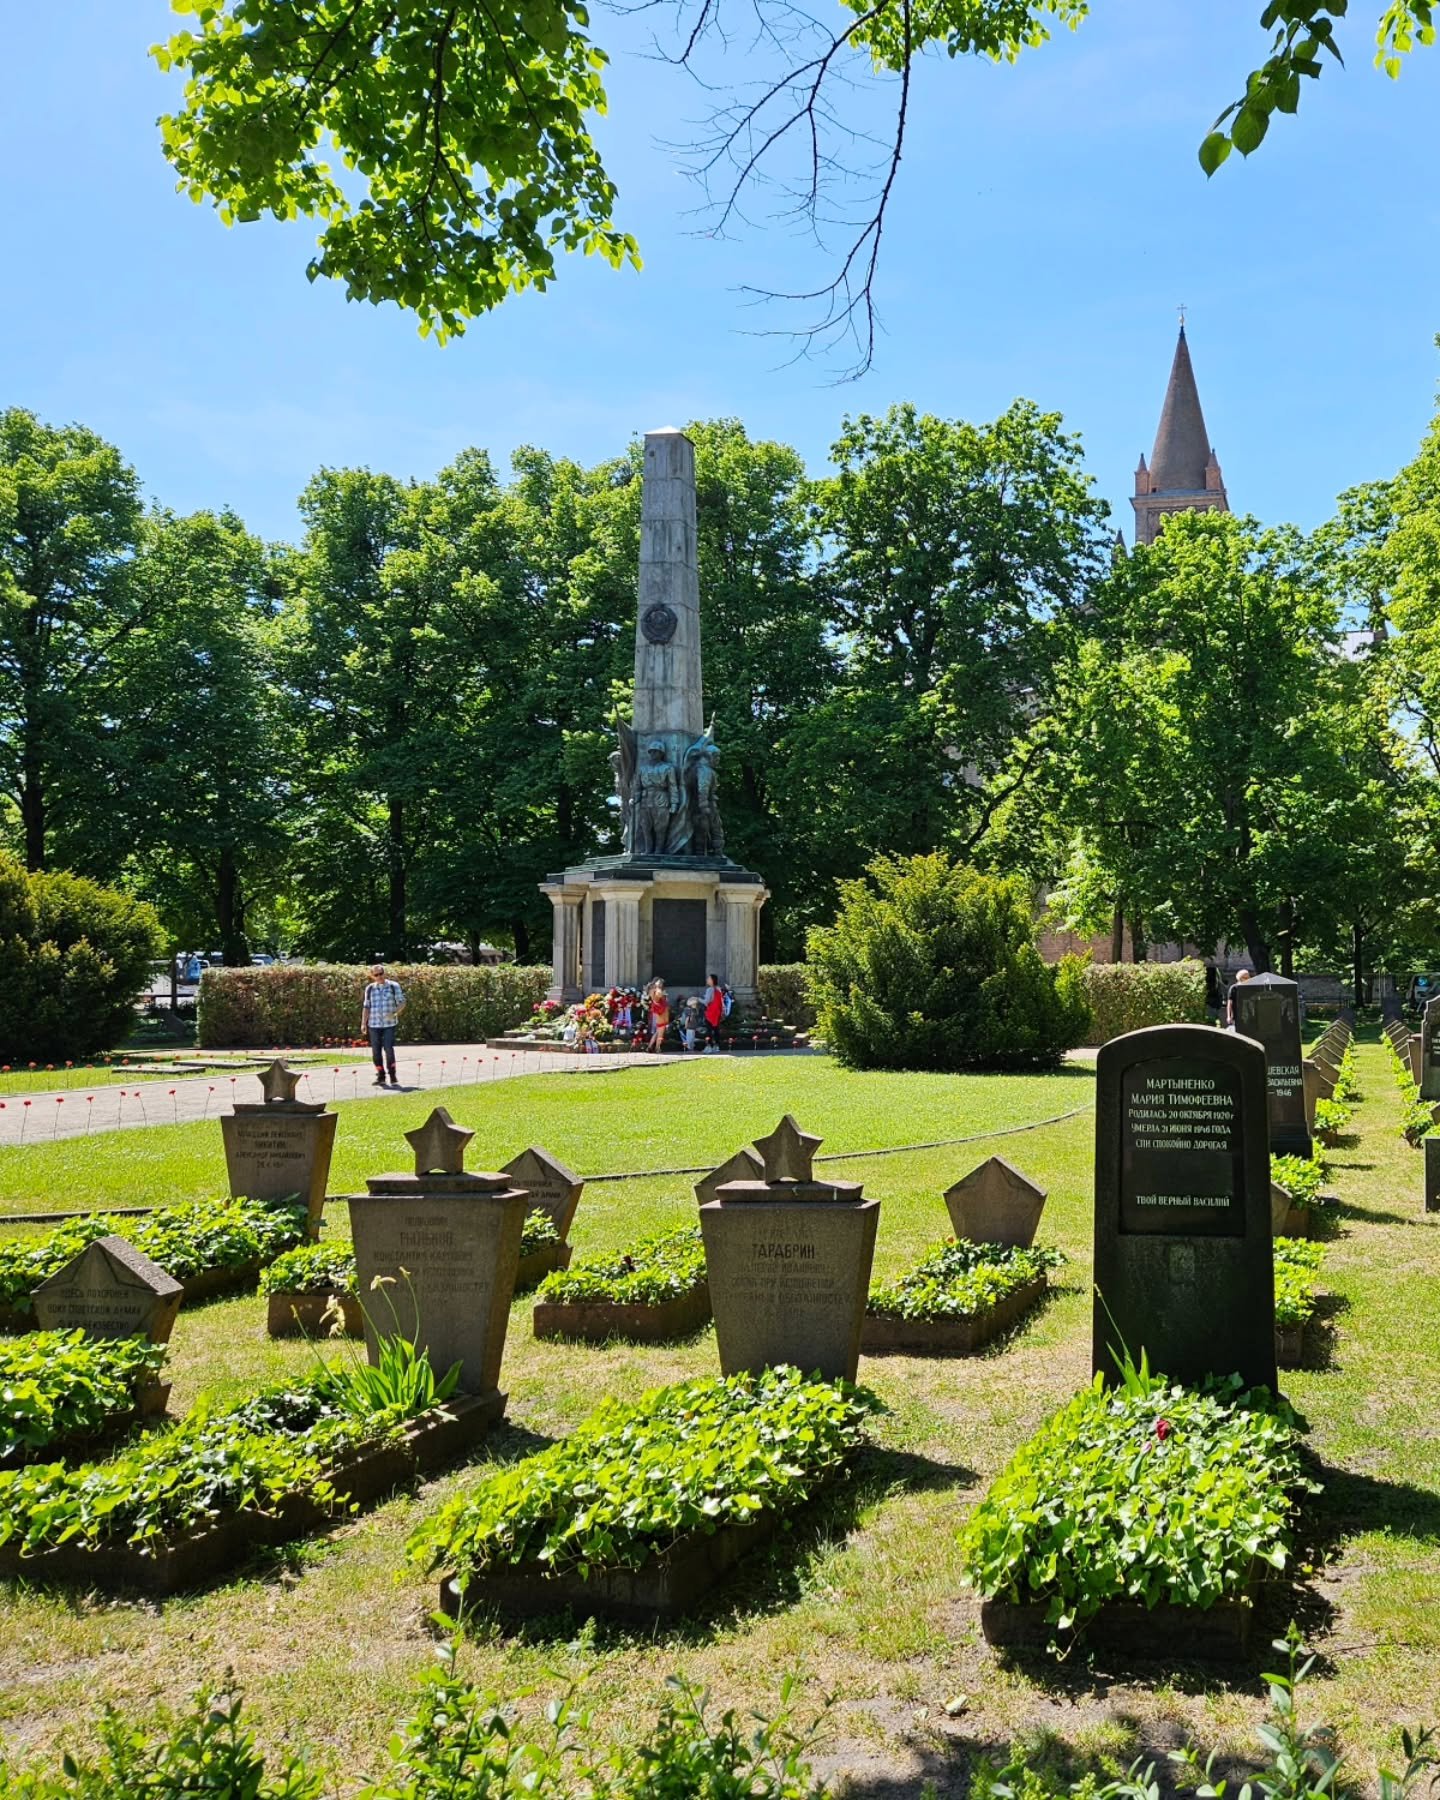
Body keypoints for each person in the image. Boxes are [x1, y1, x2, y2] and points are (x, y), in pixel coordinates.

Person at [361, 962, 406, 1086]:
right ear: (372, 976)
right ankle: (380, 1076)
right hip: (373, 1024)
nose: (379, 976)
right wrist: (363, 1023)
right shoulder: (369, 988)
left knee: (388, 1049)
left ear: (384, 973)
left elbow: (402, 1002)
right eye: (376, 975)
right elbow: (366, 1007)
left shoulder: (393, 986)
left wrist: (395, 1012)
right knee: (376, 1051)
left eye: (381, 973)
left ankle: (393, 1075)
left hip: (389, 1024)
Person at [703, 972, 725, 1050]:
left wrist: (697, 999)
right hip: (717, 1013)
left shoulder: (710, 990)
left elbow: (706, 1002)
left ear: (712, 980)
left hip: (710, 1013)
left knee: (708, 1030)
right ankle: (716, 1046)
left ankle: (709, 1046)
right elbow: (721, 1002)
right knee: (716, 1030)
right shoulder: (718, 989)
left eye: (708, 978)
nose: (707, 980)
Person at [647, 979, 670, 1052]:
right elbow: (659, 997)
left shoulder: (653, 990)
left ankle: (650, 1047)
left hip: (660, 1012)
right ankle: (657, 1048)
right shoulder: (657, 991)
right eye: (659, 983)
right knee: (660, 1032)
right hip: (661, 1013)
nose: (660, 984)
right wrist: (663, 995)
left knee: (658, 1031)